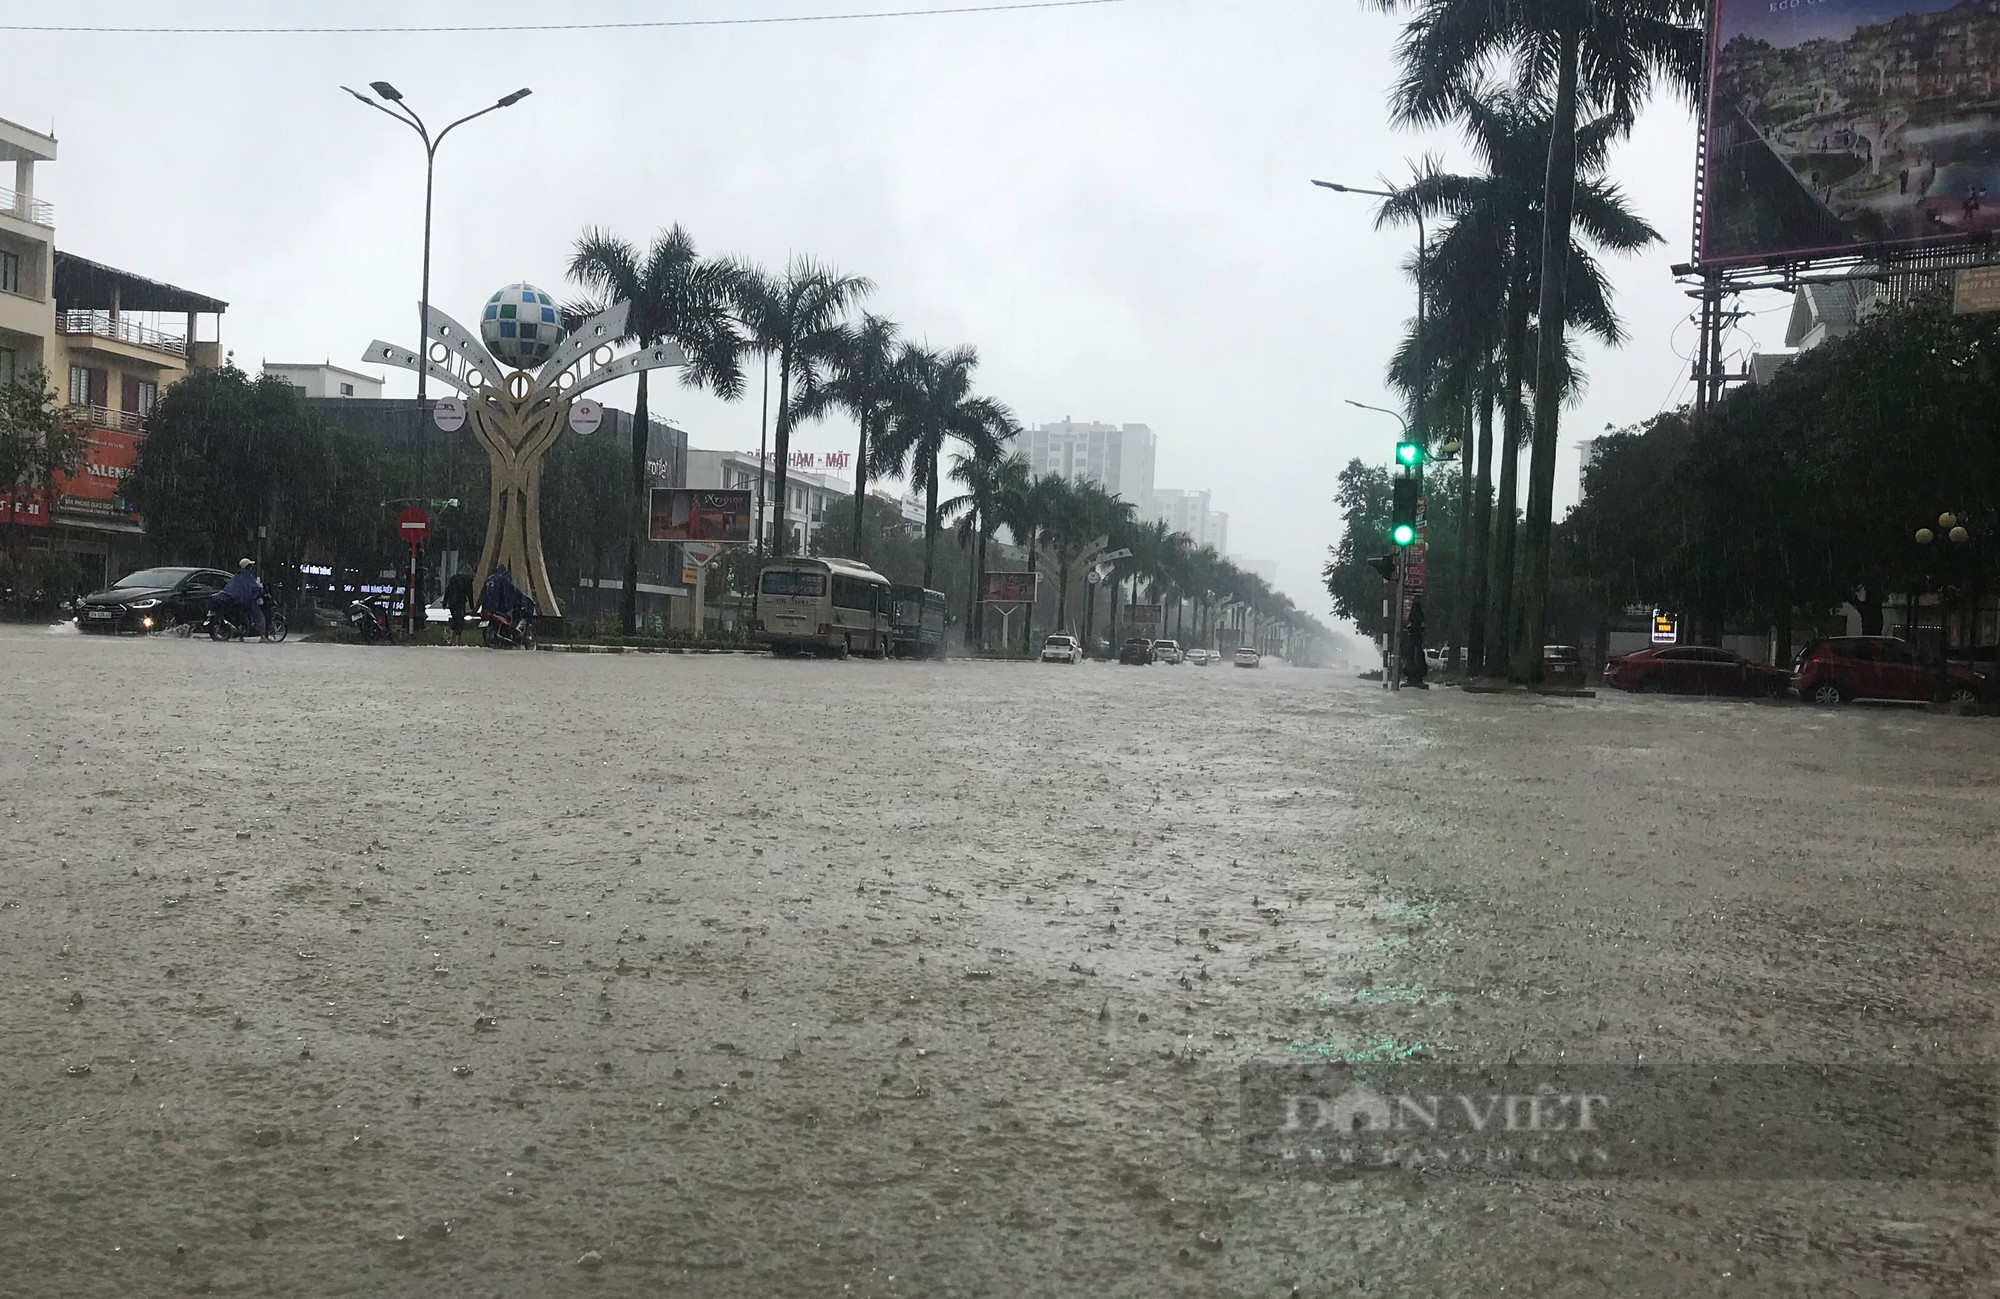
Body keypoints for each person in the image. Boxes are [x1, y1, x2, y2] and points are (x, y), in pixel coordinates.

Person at [212, 558, 265, 634]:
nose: (252, 567)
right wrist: (259, 589)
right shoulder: (247, 576)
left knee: (242, 616)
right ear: (247, 566)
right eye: (250, 565)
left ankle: (241, 635)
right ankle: (262, 635)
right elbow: (252, 587)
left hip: (236, 600)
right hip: (245, 601)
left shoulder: (238, 575)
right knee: (259, 615)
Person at [478, 563, 533, 630]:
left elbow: (482, 594)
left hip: (487, 609)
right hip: (498, 610)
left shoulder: (489, 579)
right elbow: (511, 593)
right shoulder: (503, 580)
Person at [444, 568, 474, 645]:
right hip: (460, 601)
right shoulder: (468, 580)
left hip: (452, 602)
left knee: (454, 619)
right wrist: (472, 606)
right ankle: (457, 639)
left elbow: (448, 590)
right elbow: (470, 594)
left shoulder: (453, 578)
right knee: (460, 620)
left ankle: (452, 639)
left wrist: (444, 602)